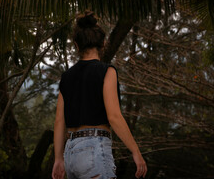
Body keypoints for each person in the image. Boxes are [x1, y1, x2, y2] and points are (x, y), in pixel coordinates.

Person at [52, 10, 147, 179]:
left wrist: (58, 159)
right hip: (94, 148)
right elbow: (114, 117)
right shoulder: (107, 71)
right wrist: (135, 151)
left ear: (76, 45)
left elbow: (59, 121)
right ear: (103, 43)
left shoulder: (66, 77)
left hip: (70, 153)